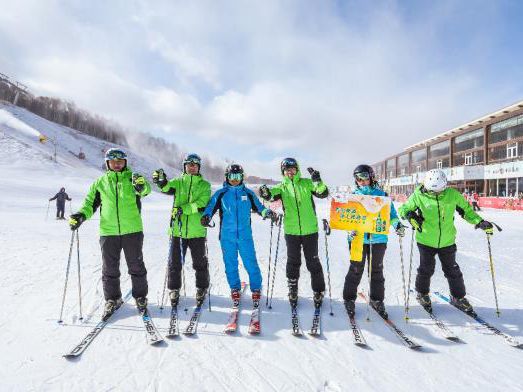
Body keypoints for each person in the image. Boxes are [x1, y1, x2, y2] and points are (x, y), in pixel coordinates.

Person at [69, 148, 151, 320]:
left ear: (125, 163)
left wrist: (141, 185)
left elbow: (145, 190)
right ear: (107, 163)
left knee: (136, 266)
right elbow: (90, 204)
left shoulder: (133, 178)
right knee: (109, 268)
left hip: (133, 230)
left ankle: (140, 297)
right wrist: (80, 215)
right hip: (108, 232)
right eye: (113, 161)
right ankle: (113, 299)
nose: (116, 164)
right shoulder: (100, 183)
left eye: (120, 161)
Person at [398, 169, 494, 314]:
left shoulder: (452, 195)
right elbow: (403, 209)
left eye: (439, 190)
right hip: (425, 240)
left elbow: (467, 211)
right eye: (433, 191)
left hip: (447, 241)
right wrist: (409, 215)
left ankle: (458, 297)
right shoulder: (419, 195)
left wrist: (479, 221)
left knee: (452, 269)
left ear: (444, 185)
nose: (436, 193)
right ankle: (422, 293)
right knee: (426, 269)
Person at [201, 164, 278, 306]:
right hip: (226, 237)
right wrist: (206, 216)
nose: (235, 179)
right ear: (227, 177)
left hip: (245, 236)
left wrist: (268, 213)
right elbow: (210, 208)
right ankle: (234, 288)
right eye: (232, 176)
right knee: (230, 264)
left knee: (251, 263)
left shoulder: (248, 194)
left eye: (237, 176)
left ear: (242, 177)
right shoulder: (221, 194)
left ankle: (256, 288)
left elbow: (260, 208)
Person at [259, 158, 328, 310]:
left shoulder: (306, 183)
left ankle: (318, 290)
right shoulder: (281, 187)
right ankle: (293, 290)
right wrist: (265, 192)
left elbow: (323, 193)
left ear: (297, 170)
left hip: (310, 230)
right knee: (293, 262)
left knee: (313, 262)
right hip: (291, 231)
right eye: (287, 170)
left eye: (292, 169)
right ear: (283, 172)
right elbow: (270, 196)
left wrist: (317, 181)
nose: (290, 172)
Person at [343, 165, 406, 319]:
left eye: (364, 177)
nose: (361, 181)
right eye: (358, 178)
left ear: (371, 177)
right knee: (356, 269)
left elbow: (392, 214)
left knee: (376, 270)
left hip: (378, 239)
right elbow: (348, 218)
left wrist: (397, 224)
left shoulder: (382, 196)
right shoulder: (353, 196)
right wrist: (349, 230)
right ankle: (349, 299)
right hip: (358, 239)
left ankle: (377, 300)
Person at [152, 153, 211, 308]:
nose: (192, 167)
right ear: (184, 166)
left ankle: (202, 287)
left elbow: (202, 203)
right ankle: (174, 289)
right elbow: (166, 188)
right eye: (189, 165)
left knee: (200, 263)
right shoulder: (178, 182)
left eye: (195, 165)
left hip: (197, 231)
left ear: (198, 167)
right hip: (177, 231)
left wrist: (182, 209)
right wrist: (161, 180)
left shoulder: (205, 185)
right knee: (175, 263)